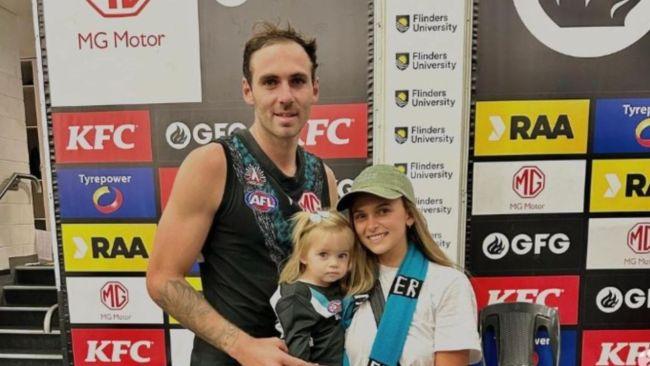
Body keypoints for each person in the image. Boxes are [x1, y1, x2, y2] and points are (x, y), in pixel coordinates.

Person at [146, 22, 338, 366]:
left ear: (314, 89)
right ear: (248, 91)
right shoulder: (212, 163)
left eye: (297, 81)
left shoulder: (325, 177)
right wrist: (241, 345)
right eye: (270, 82)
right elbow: (163, 280)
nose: (285, 96)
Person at [336, 164, 483, 366]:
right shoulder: (346, 282)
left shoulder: (448, 283)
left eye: (383, 211)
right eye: (361, 216)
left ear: (409, 215)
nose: (371, 225)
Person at [271, 210, 373, 366]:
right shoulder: (296, 296)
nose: (334, 263)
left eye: (342, 255)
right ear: (303, 256)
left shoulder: (337, 286)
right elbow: (297, 347)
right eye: (323, 254)